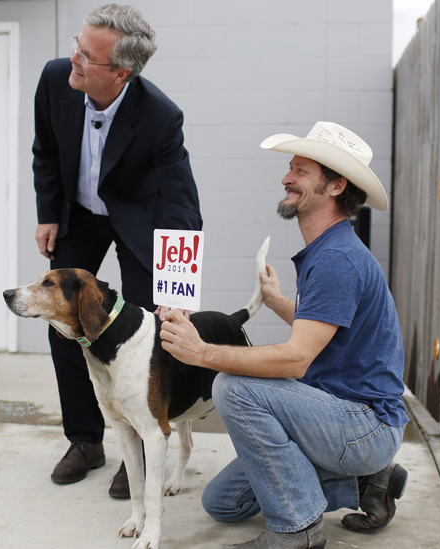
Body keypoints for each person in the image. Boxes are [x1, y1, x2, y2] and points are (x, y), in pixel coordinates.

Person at [159, 122, 409, 549]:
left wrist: (201, 352)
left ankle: (297, 529)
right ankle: (367, 484)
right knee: (223, 503)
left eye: (301, 171)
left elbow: (297, 359)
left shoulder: (336, 259)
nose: (286, 178)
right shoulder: (328, 250)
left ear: (336, 186)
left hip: (363, 424)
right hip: (334, 415)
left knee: (234, 388)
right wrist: (279, 304)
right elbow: (329, 327)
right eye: (290, 168)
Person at [32, 3, 202, 498]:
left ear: (121, 72)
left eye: (86, 55)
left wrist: (177, 288)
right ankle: (85, 441)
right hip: (77, 214)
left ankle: (141, 444)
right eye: (76, 46)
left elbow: (181, 205)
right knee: (63, 320)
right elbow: (44, 149)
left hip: (136, 219)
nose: (73, 59)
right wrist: (49, 213)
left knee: (147, 329)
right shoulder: (54, 80)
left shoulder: (161, 117)